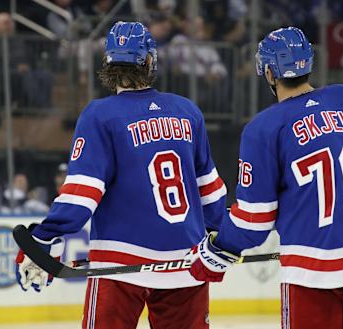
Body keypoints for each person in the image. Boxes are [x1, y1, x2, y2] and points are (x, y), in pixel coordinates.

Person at [188, 27, 343, 329]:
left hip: (314, 270)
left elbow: (254, 221)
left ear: (269, 73)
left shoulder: (264, 129)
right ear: (308, 63)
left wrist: (218, 249)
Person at [15, 21, 227, 329]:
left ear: (108, 62)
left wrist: (44, 238)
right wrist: (225, 239)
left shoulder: (100, 115)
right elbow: (211, 190)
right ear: (150, 60)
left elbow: (81, 195)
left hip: (120, 262)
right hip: (186, 261)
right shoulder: (187, 111)